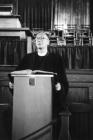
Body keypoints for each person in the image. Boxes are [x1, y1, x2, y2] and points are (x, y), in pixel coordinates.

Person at [9, 31, 69, 139]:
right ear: (35, 43)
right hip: (28, 102)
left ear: (48, 42)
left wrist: (60, 88)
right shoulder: (27, 58)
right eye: (37, 39)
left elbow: (63, 81)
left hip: (49, 102)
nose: (39, 40)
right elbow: (15, 76)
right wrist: (13, 85)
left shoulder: (56, 59)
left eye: (42, 38)